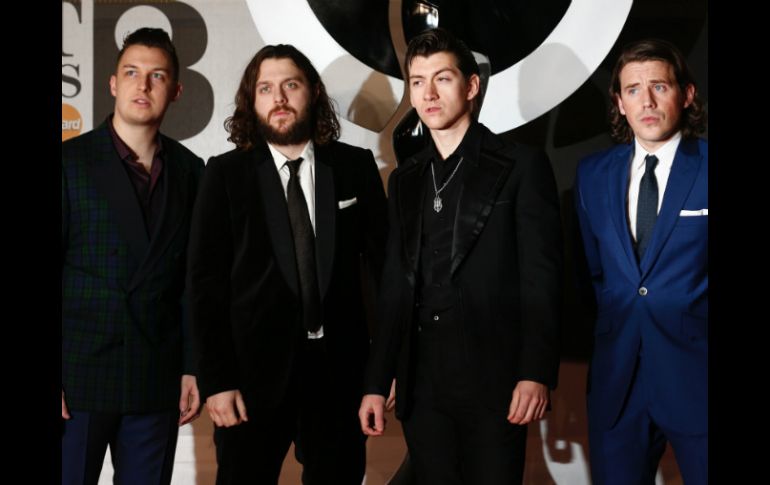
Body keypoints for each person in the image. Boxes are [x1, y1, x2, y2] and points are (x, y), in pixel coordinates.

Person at [359, 27, 562, 484]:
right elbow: (395, 282)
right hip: (423, 384)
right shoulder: (405, 179)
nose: (428, 93)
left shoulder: (520, 166)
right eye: (417, 81)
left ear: (471, 86)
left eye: (442, 79)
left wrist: (535, 372)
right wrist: (377, 380)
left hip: (495, 380)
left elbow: (542, 278)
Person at [188, 44, 388, 485]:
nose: (278, 98)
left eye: (290, 85)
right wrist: (217, 381)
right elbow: (204, 287)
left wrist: (381, 373)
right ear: (252, 101)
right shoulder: (224, 175)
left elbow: (384, 275)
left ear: (313, 92)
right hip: (250, 382)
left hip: (340, 378)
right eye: (265, 88)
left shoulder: (354, 167)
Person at [61, 27, 203, 484]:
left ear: (176, 90)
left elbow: (193, 281)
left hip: (155, 377)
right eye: (132, 73)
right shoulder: (69, 164)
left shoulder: (191, 171)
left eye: (157, 76)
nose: (143, 86)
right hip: (78, 377)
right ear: (112, 84)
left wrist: (192, 366)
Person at [573, 38, 708, 484]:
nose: (646, 101)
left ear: (686, 94)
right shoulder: (592, 175)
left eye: (659, 87)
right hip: (619, 379)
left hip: (698, 375)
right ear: (619, 101)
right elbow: (596, 274)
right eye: (633, 89)